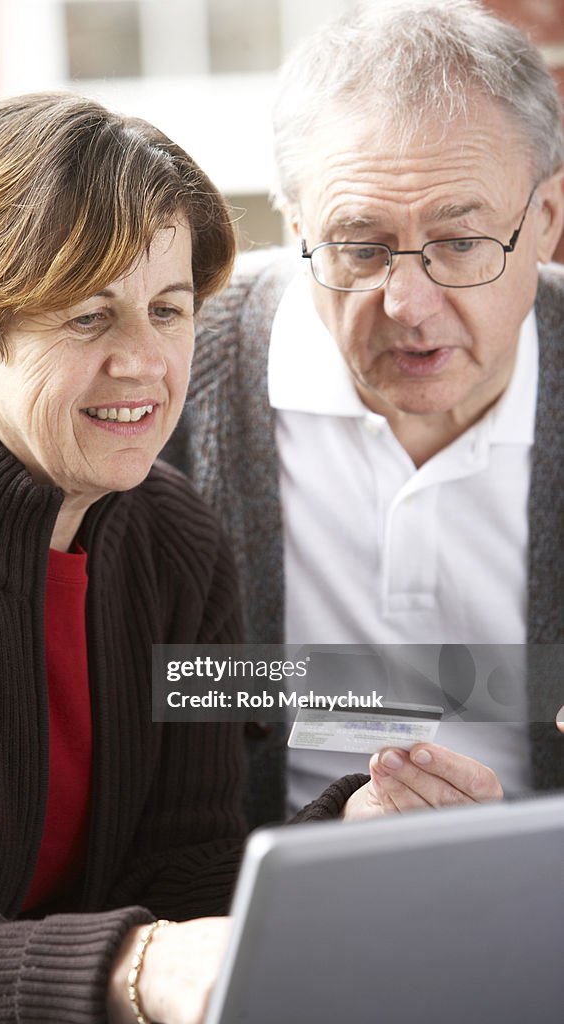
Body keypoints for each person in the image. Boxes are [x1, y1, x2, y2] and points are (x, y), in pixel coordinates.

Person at [0, 90, 382, 1024]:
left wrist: (347, 839)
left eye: (167, 308)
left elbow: (179, 877)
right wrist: (135, 965)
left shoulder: (171, 535)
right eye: (86, 317)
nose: (145, 362)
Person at [166, 0, 564, 819]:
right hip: (251, 896)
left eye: (460, 243)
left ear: (545, 222)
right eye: (359, 246)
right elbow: (154, 699)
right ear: (295, 225)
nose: (408, 304)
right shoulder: (159, 382)